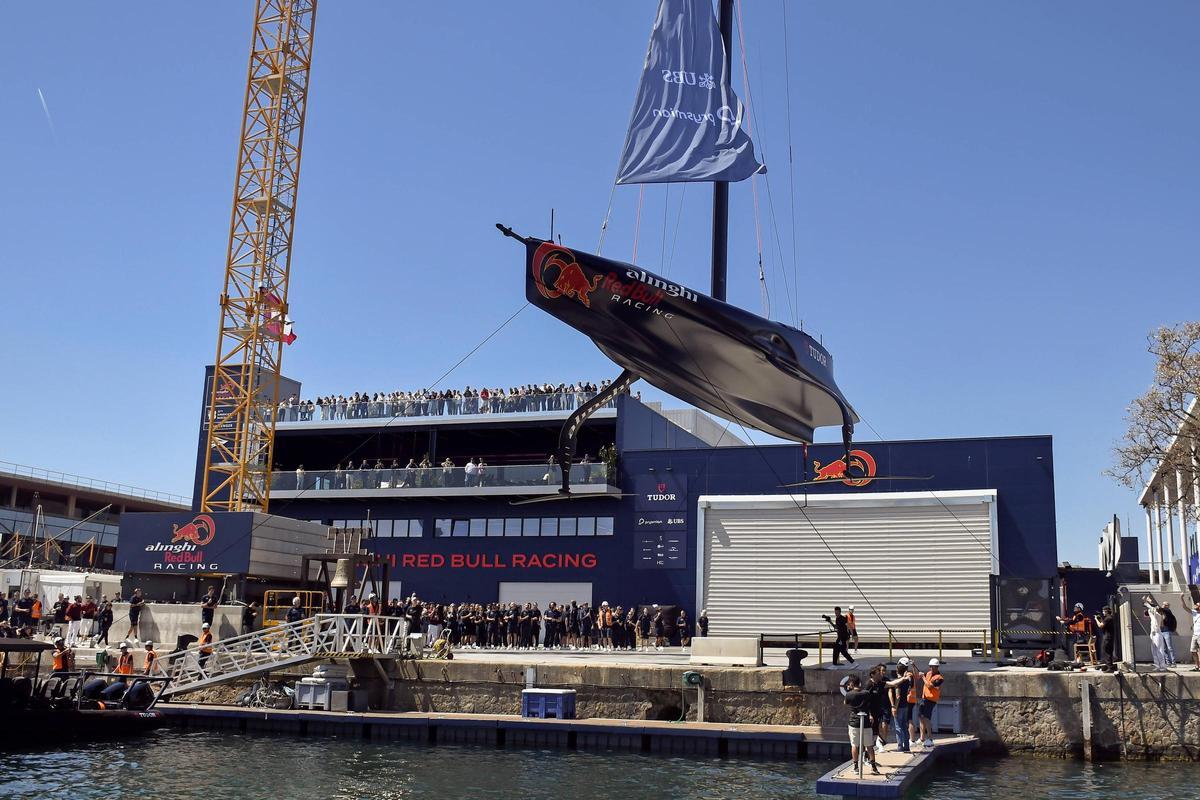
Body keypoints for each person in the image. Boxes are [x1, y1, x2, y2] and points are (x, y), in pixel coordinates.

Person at [842, 675, 880, 775]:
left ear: (851, 683)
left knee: (854, 745)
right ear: (859, 683)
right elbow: (869, 704)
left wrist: (849, 690)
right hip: (866, 722)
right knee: (869, 745)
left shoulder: (849, 694)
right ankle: (873, 767)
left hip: (854, 722)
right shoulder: (866, 693)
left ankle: (855, 767)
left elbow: (845, 703)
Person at [887, 659, 914, 753]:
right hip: (906, 705)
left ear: (897, 670)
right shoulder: (907, 680)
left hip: (899, 706)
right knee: (904, 726)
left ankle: (900, 747)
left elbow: (897, 695)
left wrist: (894, 707)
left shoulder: (897, 681)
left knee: (898, 727)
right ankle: (906, 746)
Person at [917, 658, 944, 749]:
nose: (932, 669)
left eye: (934, 667)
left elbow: (929, 685)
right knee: (921, 717)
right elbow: (919, 677)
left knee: (927, 718)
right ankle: (922, 738)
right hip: (924, 698)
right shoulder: (928, 673)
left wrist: (923, 677)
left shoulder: (939, 678)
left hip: (931, 700)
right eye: (931, 667)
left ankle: (930, 738)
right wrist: (914, 666)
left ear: (937, 667)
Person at [1143, 596, 1167, 669]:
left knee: (1159, 649)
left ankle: (1162, 666)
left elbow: (1152, 608)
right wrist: (1148, 602)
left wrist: (1147, 602)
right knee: (1153, 649)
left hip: (1157, 633)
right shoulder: (1154, 614)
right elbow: (1151, 609)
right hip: (1153, 633)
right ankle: (1157, 664)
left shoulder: (1158, 615)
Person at [1182, 593, 1200, 672]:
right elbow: (1185, 607)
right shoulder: (1194, 613)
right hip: (1195, 634)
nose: (1195, 605)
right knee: (1193, 650)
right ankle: (1197, 666)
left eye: (1197, 605)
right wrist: (1181, 598)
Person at [1161, 601, 1178, 667]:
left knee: (1169, 647)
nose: (1165, 606)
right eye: (1164, 604)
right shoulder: (1161, 613)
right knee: (1164, 648)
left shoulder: (1168, 611)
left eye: (1166, 605)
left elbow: (1162, 609)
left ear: (1168, 606)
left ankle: (1173, 662)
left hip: (1166, 631)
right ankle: (1168, 662)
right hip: (1161, 631)